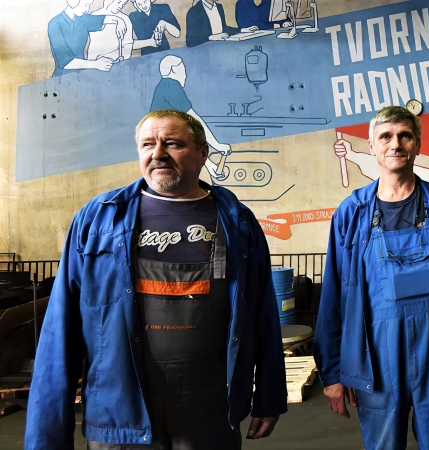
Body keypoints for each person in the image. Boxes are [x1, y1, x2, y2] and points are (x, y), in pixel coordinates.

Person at [25, 110, 287, 448]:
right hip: (119, 417)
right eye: (148, 144)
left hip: (208, 416)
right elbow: (61, 328)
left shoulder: (238, 222)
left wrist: (269, 395)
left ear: (203, 152)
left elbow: (263, 315)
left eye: (173, 143)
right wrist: (46, 436)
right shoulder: (98, 220)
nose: (158, 153)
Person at [315, 106, 429, 449]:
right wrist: (333, 372)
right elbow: (333, 298)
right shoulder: (351, 214)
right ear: (372, 145)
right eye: (385, 136)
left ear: (417, 144)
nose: (395, 144)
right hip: (376, 362)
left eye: (405, 136)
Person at [151, 55, 232, 179]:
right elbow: (195, 121)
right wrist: (218, 146)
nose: (185, 76)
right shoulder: (170, 85)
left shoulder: (163, 86)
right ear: (173, 71)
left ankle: (211, 167)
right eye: (182, 71)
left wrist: (209, 164)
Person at [47, 0, 125, 77]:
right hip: (63, 77)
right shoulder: (54, 24)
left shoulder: (81, 19)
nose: (87, 9)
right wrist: (96, 64)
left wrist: (119, 21)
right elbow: (65, 62)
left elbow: (102, 19)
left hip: (81, 74)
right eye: (85, 5)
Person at [88, 0, 159, 61]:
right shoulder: (94, 16)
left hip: (120, 64)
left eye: (123, 4)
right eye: (119, 2)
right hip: (95, 64)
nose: (120, 6)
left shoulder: (125, 19)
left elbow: (128, 46)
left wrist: (150, 42)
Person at [186, 0, 258, 47]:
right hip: (205, 51)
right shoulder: (194, 11)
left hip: (221, 46)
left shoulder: (219, 7)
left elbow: (223, 29)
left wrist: (242, 30)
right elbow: (190, 41)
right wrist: (210, 37)